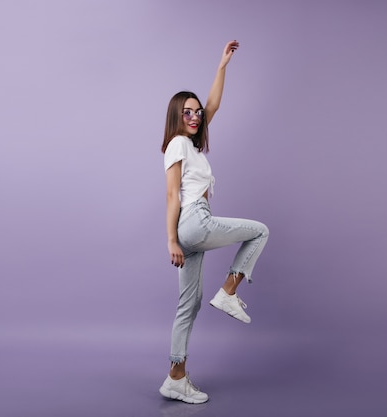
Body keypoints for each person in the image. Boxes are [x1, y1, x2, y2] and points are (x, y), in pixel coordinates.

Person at [158, 40, 269, 404]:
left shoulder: (192, 144)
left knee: (188, 305)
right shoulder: (177, 144)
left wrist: (222, 66)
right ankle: (229, 291)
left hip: (189, 231)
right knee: (259, 231)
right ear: (176, 116)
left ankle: (176, 377)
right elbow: (173, 195)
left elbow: (214, 105)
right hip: (192, 224)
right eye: (187, 112)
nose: (194, 116)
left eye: (196, 112)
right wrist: (171, 240)